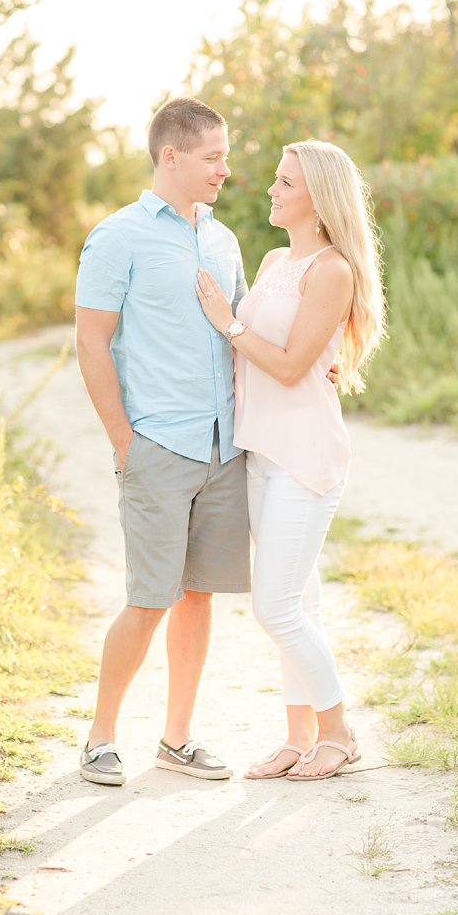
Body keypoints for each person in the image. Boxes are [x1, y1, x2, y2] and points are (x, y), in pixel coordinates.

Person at [194, 139, 385, 780]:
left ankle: (339, 732)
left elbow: (290, 365)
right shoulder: (276, 257)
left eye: (285, 183)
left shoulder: (332, 270)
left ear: (319, 198)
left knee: (274, 607)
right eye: (276, 180)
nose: (271, 191)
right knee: (299, 598)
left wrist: (227, 322)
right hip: (261, 452)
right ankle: (298, 736)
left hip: (305, 454)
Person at [73, 97, 248, 786]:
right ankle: (99, 736)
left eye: (226, 155)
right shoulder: (117, 237)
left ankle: (176, 738)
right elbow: (91, 340)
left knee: (198, 595)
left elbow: (242, 331)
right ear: (170, 156)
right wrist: (124, 440)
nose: (225, 169)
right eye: (213, 156)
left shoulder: (224, 239)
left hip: (223, 448)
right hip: (157, 448)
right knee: (149, 598)